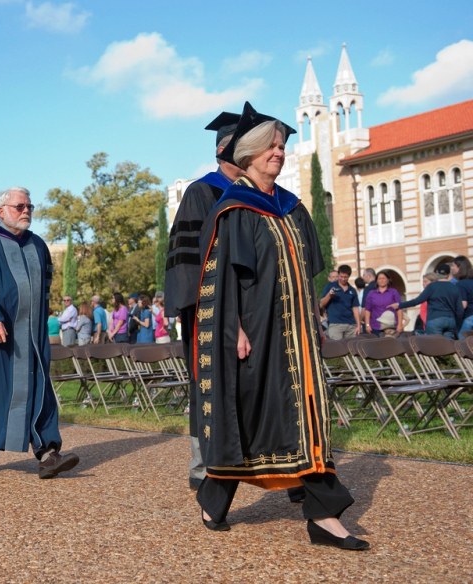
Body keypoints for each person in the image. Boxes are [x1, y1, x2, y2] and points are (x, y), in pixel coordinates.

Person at [193, 102, 368, 550]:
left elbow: (307, 271)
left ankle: (324, 516)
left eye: (282, 145)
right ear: (248, 153)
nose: (279, 152)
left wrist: (313, 314)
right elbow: (220, 278)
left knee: (306, 418)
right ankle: (215, 495)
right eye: (270, 146)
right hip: (258, 332)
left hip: (298, 335)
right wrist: (235, 329)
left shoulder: (291, 208)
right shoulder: (234, 208)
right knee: (253, 416)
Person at [0, 186, 79, 478]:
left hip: (31, 338)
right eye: (19, 206)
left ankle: (48, 453)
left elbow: (43, 290)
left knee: (38, 391)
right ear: (1, 211)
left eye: (29, 207)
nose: (26, 212)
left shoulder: (37, 244)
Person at [165, 111, 244, 491]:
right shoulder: (201, 192)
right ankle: (203, 467)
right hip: (210, 310)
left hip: (252, 308)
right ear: (225, 149)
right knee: (208, 384)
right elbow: (185, 257)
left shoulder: (257, 194)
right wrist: (196, 309)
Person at [391, 264, 463, 339]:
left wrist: (400, 305)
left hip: (435, 319)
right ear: (448, 274)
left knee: (435, 346)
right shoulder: (455, 288)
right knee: (449, 346)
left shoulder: (432, 287)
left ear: (437, 274)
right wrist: (456, 323)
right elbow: (460, 310)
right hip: (450, 320)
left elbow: (417, 301)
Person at [319, 265, 361, 340]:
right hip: (335, 324)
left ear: (349, 276)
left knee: (352, 348)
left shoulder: (352, 290)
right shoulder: (330, 286)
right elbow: (321, 304)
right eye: (341, 276)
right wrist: (329, 295)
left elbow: (355, 308)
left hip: (351, 325)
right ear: (338, 275)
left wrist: (358, 325)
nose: (343, 279)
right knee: (337, 348)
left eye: (345, 277)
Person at [363, 271, 403, 337]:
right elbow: (367, 310)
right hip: (375, 327)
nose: (382, 280)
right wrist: (367, 325)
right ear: (377, 281)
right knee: (377, 346)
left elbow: (399, 309)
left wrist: (400, 324)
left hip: (391, 326)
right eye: (379, 278)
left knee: (390, 346)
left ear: (388, 280)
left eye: (384, 278)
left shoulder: (394, 292)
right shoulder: (371, 293)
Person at [452, 256, 473, 336]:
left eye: (453, 265)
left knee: (461, 345)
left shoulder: (460, 284)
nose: (452, 268)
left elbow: (463, 305)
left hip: (469, 318)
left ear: (459, 267)